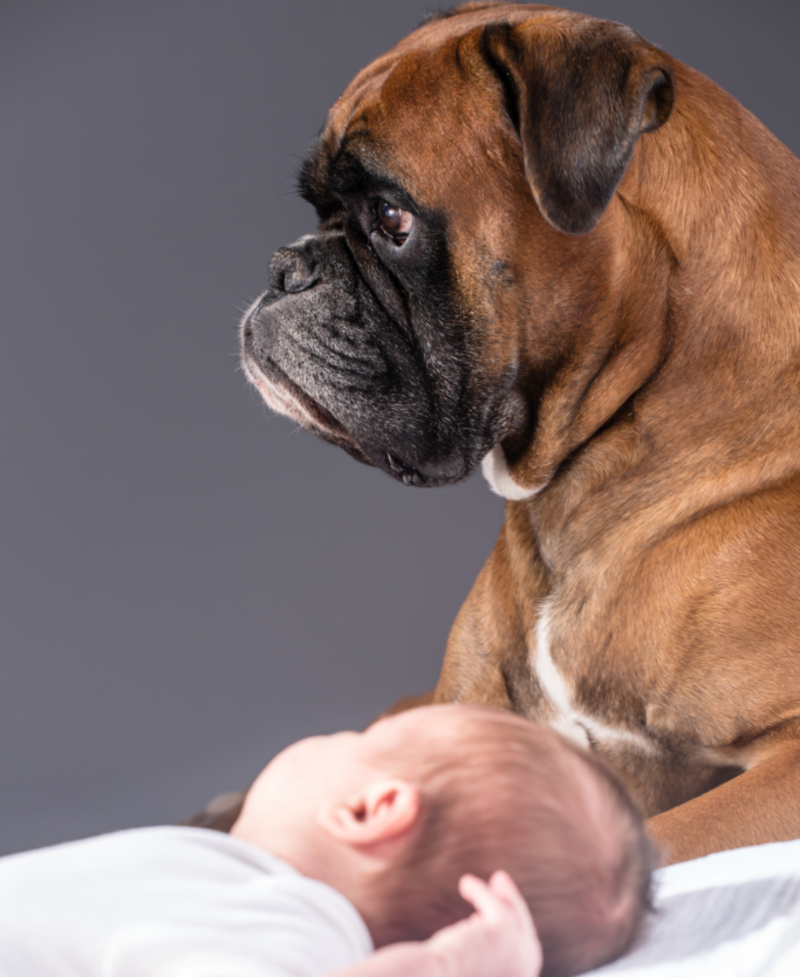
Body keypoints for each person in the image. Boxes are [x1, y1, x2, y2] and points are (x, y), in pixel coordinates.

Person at [0, 704, 653, 977]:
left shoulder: (291, 918)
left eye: (361, 740)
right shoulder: (236, 883)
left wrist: (443, 968)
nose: (342, 732)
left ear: (370, 809)